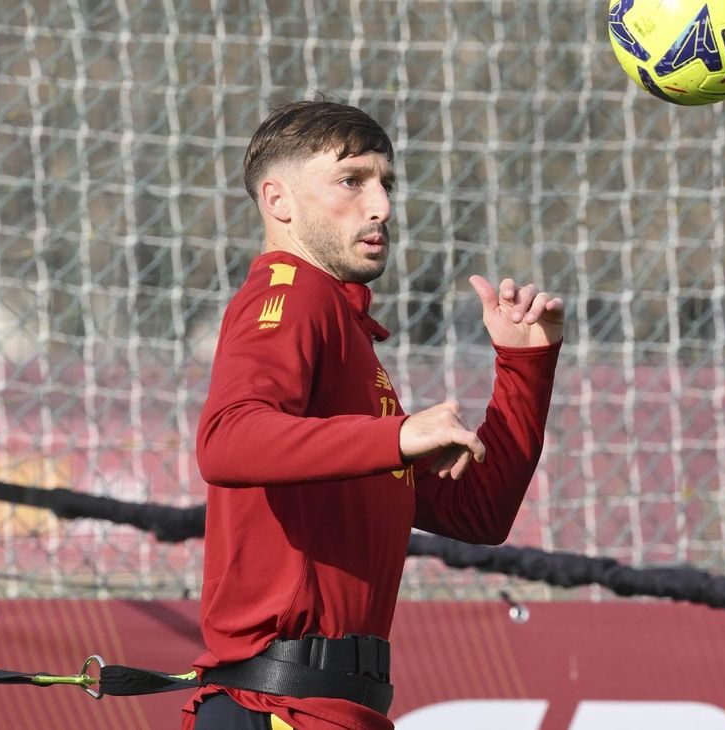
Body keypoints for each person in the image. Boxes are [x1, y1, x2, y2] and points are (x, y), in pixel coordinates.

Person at [183, 98, 563, 730]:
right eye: (351, 180)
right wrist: (400, 434)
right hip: (280, 705)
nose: (381, 204)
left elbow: (479, 512)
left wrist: (526, 365)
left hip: (329, 706)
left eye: (386, 183)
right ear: (278, 201)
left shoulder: (345, 334)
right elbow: (226, 440)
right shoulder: (291, 292)